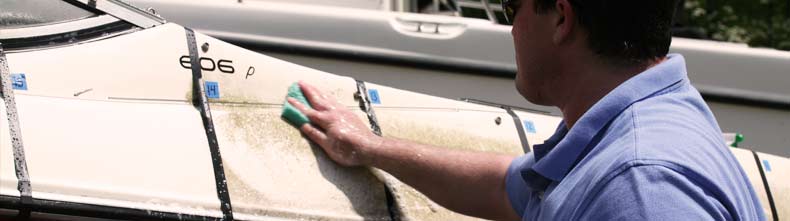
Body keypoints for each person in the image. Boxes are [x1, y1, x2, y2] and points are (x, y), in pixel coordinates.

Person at [287, 0, 765, 220]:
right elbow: (506, 188)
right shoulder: (643, 120)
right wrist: (369, 147)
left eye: (510, 6)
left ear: (561, 17)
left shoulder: (642, 188)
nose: (510, 29)